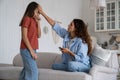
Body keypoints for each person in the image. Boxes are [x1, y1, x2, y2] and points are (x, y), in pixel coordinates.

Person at [38, 8, 92, 73]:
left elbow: (82, 59)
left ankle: (74, 68)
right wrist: (42, 13)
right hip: (69, 64)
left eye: (71, 24)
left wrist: (69, 52)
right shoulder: (67, 35)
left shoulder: (81, 42)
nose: (68, 25)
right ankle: (72, 69)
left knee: (70, 65)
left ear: (76, 29)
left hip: (83, 64)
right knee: (54, 66)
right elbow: (54, 25)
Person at [19, 2, 42, 80]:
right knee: (33, 72)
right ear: (32, 9)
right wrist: (32, 51)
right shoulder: (27, 18)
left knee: (26, 72)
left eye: (38, 12)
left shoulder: (34, 20)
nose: (38, 13)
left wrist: (38, 22)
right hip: (27, 49)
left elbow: (39, 35)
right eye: (37, 11)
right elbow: (24, 37)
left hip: (32, 49)